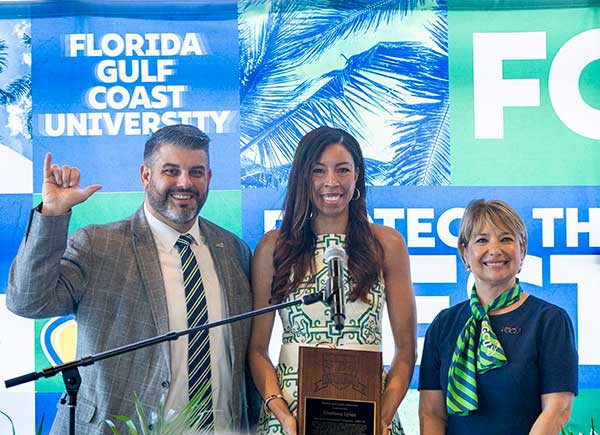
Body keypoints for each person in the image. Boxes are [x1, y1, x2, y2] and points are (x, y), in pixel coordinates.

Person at [7, 124, 255, 434]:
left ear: (209, 178)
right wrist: (53, 213)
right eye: (171, 171)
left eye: (196, 172)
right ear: (145, 175)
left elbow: (245, 360)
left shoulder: (234, 250)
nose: (185, 182)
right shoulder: (97, 245)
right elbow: (28, 301)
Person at [248, 126, 417, 435]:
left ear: (357, 178)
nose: (331, 182)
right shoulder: (274, 247)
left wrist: (384, 415)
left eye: (343, 170)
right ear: (302, 178)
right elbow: (258, 350)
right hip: (291, 417)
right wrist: (281, 412)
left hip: (369, 415)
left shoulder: (387, 243)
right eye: (318, 170)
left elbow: (406, 350)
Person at [418, 199, 578, 435]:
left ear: (522, 250)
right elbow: (431, 413)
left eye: (506, 239)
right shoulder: (444, 324)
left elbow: (557, 409)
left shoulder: (550, 321)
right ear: (464, 253)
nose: (495, 250)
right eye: (482, 240)